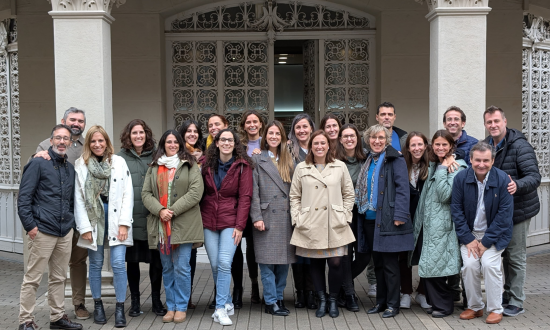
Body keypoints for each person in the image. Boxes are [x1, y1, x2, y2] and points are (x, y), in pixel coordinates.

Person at [18, 124, 83, 330]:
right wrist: (30, 226)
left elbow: (71, 200)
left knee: (59, 278)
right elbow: (24, 198)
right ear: (51, 140)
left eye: (66, 139)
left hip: (64, 232)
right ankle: (25, 320)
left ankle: (57, 318)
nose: (62, 142)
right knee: (33, 278)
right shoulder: (38, 163)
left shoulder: (70, 168)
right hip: (42, 230)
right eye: (58, 138)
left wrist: (71, 223)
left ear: (70, 143)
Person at [290, 130, 355, 319]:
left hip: (335, 222)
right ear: (311, 146)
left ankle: (333, 299)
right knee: (316, 263)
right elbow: (294, 196)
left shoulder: (339, 166)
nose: (319, 146)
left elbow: (349, 194)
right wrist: (298, 217)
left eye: (323, 143)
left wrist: (345, 215)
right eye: (315, 143)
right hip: (310, 222)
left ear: (329, 145)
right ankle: (322, 299)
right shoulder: (302, 168)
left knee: (336, 262)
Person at [483, 105, 541, 317]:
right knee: (503, 254)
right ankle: (506, 295)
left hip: (519, 209)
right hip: (498, 212)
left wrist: (517, 185)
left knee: (515, 256)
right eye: (489, 122)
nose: (493, 125)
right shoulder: (486, 145)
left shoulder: (520, 146)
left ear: (505, 121)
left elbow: (534, 177)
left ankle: (516, 300)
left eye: (496, 121)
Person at [142, 130, 204, 324]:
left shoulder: (190, 164)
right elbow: (146, 194)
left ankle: (182, 307)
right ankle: (171, 306)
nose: (172, 145)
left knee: (182, 267)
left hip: (184, 224)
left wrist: (172, 211)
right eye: (168, 142)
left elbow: (196, 192)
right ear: (163, 144)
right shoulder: (154, 166)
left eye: (175, 142)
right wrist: (161, 210)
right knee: (167, 268)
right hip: (161, 226)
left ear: (180, 144)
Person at [74, 125, 134, 328]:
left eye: (101, 140)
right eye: (93, 141)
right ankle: (98, 305)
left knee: (118, 264)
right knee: (96, 264)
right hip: (94, 219)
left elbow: (128, 194)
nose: (97, 144)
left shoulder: (118, 162)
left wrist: (125, 223)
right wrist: (85, 227)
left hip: (116, 218)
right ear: (89, 144)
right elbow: (79, 199)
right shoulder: (81, 165)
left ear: (107, 142)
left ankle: (119, 307)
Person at [33, 107, 90, 320]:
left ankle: (79, 304)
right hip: (54, 217)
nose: (76, 123)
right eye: (72, 120)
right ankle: (54, 310)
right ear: (63, 120)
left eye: (80, 121)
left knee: (78, 261)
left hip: (80, 215)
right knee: (53, 267)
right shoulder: (46, 145)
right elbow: (35, 169)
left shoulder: (88, 146)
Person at [451, 141, 514, 325]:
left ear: (492, 160)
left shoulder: (502, 179)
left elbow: (504, 216)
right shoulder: (461, 179)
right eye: (477, 160)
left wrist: (486, 242)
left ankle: (495, 309)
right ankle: (475, 307)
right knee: (470, 265)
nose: (481, 164)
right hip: (470, 235)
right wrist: (468, 239)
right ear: (470, 160)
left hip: (494, 236)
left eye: (486, 160)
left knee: (489, 265)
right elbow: (456, 211)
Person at [355, 125, 412, 318]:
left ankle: (392, 304)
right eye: (373, 137)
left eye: (381, 138)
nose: (377, 141)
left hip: (389, 219)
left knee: (390, 265)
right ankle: (380, 302)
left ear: (387, 139)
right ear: (368, 139)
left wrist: (400, 215)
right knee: (377, 263)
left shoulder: (395, 158)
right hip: (370, 219)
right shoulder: (368, 159)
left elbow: (403, 189)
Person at [411, 130, 467, 318]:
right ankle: (439, 304)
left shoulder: (456, 167)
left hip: (443, 226)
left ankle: (444, 306)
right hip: (428, 225)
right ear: (432, 146)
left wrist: (444, 169)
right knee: (428, 267)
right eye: (437, 144)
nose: (440, 147)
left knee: (434, 269)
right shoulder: (435, 165)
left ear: (451, 146)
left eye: (444, 144)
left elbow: (445, 195)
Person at [201, 129, 253, 326]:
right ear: (216, 143)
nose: (226, 143)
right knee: (215, 264)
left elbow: (245, 198)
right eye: (223, 140)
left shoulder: (243, 166)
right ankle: (228, 300)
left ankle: (220, 308)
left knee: (224, 262)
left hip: (231, 221)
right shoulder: (206, 165)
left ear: (235, 143)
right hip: (208, 220)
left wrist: (240, 226)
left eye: (230, 140)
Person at [118, 119, 167, 317]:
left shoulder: (157, 155)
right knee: (133, 263)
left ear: (146, 134)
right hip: (130, 219)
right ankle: (136, 301)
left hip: (153, 218)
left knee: (157, 262)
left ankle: (156, 300)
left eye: (141, 132)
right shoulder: (120, 158)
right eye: (134, 133)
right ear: (128, 136)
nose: (138, 136)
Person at [250, 120, 297, 316]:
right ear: (265, 136)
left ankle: (278, 298)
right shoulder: (257, 158)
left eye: (278, 134)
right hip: (266, 217)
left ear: (283, 137)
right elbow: (253, 191)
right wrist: (256, 217)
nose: (274, 137)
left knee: (284, 263)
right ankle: (270, 301)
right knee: (267, 263)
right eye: (271, 133)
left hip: (286, 217)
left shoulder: (289, 158)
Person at [287, 113, 318, 309]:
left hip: (317, 207)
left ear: (311, 128)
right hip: (296, 205)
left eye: (305, 126)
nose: (302, 130)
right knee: (299, 252)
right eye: (298, 127)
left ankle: (313, 292)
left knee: (313, 251)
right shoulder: (288, 150)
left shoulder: (320, 147)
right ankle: (301, 292)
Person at [335, 124, 366, 312]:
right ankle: (349, 294)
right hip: (343, 215)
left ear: (357, 138)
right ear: (340, 139)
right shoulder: (336, 162)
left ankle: (338, 286)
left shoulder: (366, 160)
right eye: (345, 136)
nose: (349, 139)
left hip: (362, 214)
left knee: (364, 254)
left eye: (352, 136)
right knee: (345, 256)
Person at [236, 110, 265, 305]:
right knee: (237, 246)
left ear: (261, 124)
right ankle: (242, 286)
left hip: (260, 202)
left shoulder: (268, 142)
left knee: (256, 249)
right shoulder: (239, 146)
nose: (252, 125)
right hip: (240, 203)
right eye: (249, 122)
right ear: (244, 125)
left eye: (255, 121)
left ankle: (256, 285)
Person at [177, 119, 205, 309]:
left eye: (195, 131)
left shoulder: (206, 155)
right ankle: (182, 297)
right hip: (183, 208)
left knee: (192, 254)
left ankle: (188, 294)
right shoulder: (177, 155)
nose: (192, 134)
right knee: (182, 256)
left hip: (202, 208)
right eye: (188, 131)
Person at [402, 132, 431, 310]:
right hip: (405, 218)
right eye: (413, 145)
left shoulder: (432, 167)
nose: (417, 148)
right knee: (404, 256)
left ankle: (422, 292)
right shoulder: (401, 166)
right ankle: (405, 292)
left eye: (420, 144)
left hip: (426, 220)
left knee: (425, 255)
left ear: (426, 146)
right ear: (408, 148)